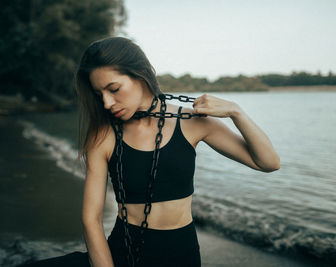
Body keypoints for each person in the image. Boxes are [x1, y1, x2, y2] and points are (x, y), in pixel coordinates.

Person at [18, 36, 280, 267]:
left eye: (114, 89)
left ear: (141, 74)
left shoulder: (193, 122)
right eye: (100, 95)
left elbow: (268, 162)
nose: (107, 103)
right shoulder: (103, 136)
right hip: (123, 253)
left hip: (182, 253)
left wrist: (236, 112)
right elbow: (91, 219)